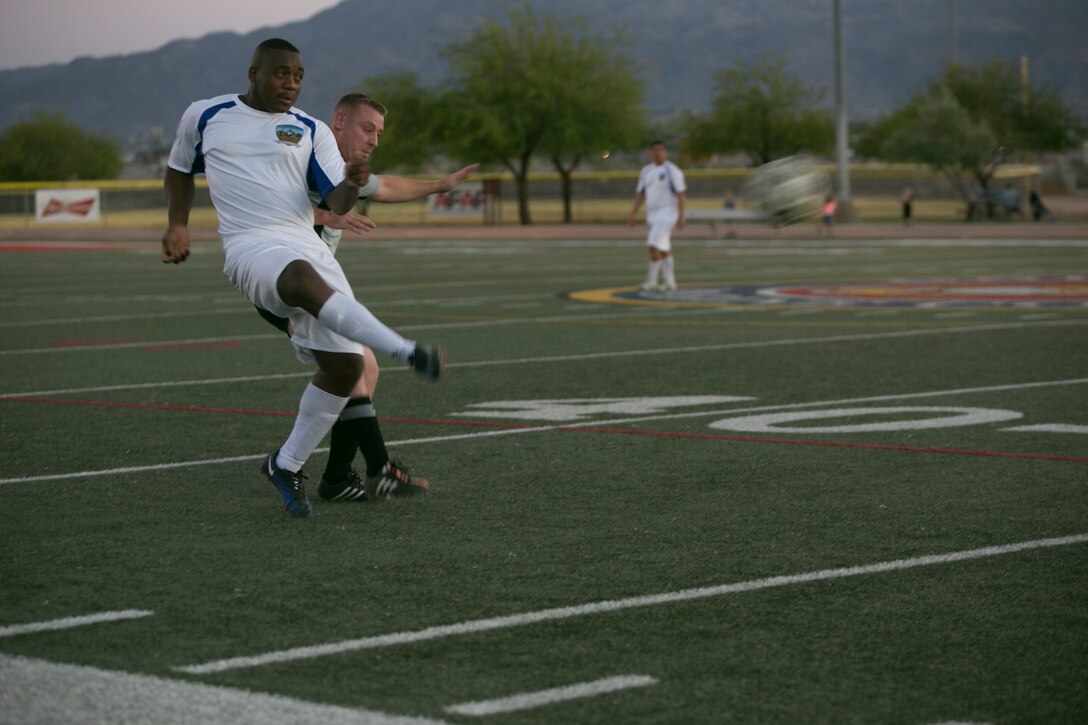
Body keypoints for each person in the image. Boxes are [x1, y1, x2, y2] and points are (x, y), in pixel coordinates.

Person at [162, 38, 446, 518]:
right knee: (297, 280)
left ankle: (287, 463)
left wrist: (353, 182)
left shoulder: (309, 129)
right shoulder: (205, 115)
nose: (290, 84)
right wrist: (177, 224)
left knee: (346, 368)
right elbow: (178, 170)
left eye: (297, 77)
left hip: (307, 245)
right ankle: (406, 349)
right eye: (280, 74)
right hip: (249, 246)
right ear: (254, 72)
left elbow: (336, 203)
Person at [257, 92, 477, 504]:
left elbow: (387, 185)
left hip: (316, 287)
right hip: (286, 283)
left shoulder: (344, 171)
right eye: (367, 128)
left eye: (379, 132)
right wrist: (323, 215)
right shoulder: (298, 153)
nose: (375, 139)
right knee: (356, 366)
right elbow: (259, 206)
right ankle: (378, 469)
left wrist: (441, 185)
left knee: (362, 370)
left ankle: (336, 477)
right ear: (339, 120)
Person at [627, 140, 686, 292]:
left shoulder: (672, 170)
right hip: (652, 213)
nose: (658, 153)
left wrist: (681, 216)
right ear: (650, 152)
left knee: (653, 245)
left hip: (668, 212)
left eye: (661, 150)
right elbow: (641, 194)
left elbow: (680, 194)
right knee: (663, 247)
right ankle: (670, 282)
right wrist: (633, 213)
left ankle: (652, 280)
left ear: (665, 152)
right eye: (655, 150)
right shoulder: (646, 171)